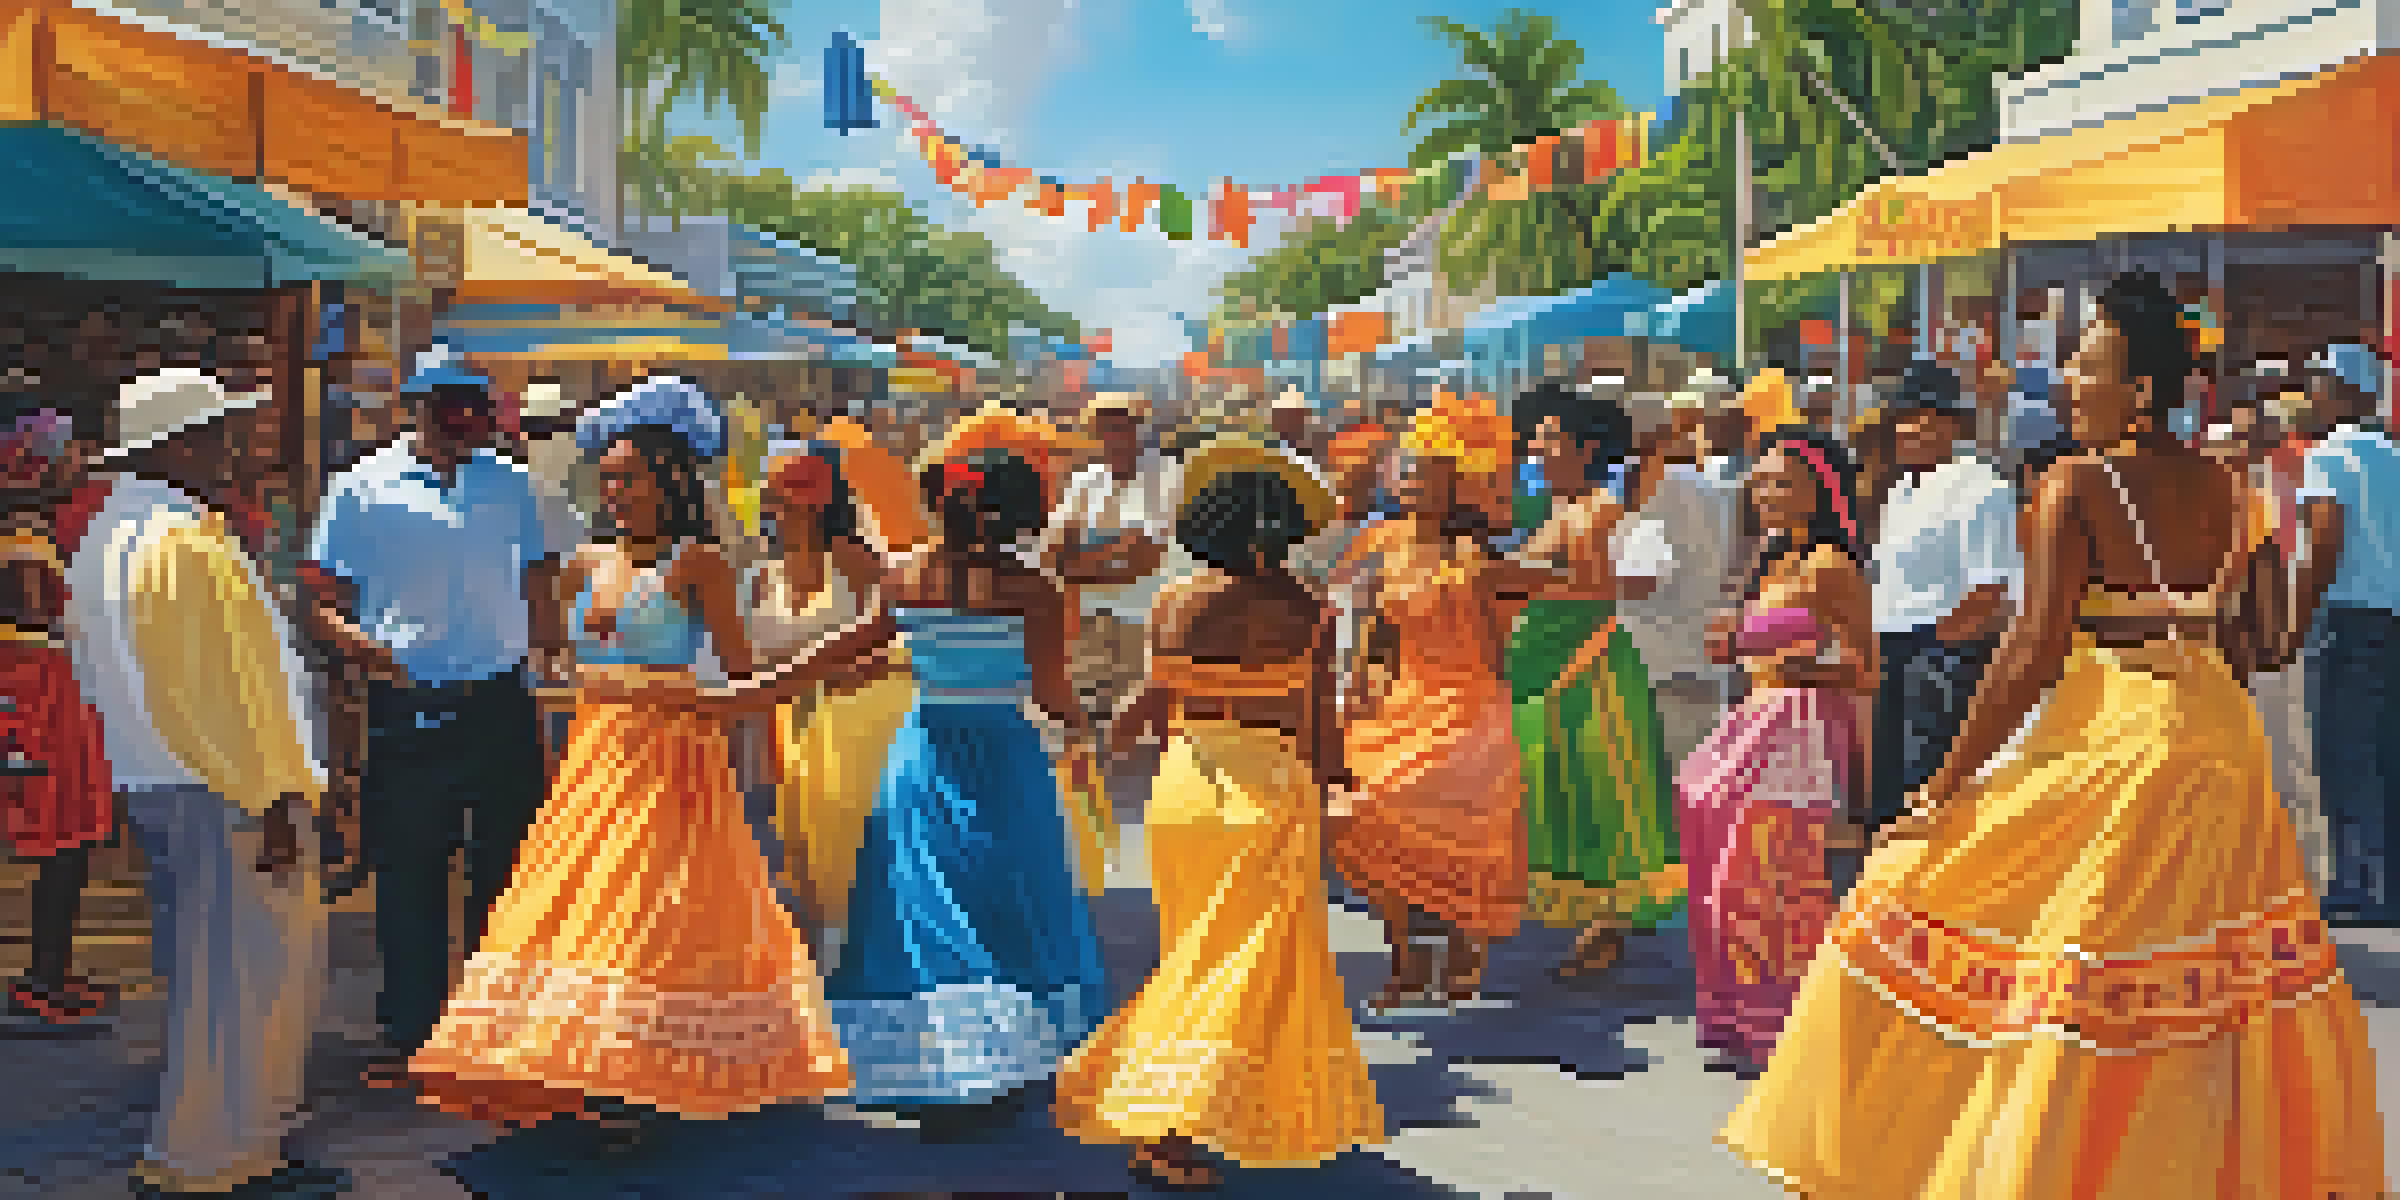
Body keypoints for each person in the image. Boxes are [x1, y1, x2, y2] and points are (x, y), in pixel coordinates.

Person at [1722, 272, 2386, 1197]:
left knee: (1958, 934)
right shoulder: (2235, 489)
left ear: (2141, 390)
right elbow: (2262, 647)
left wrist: (1939, 787)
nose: (2066, 380)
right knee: (2200, 1002)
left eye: (2086, 362)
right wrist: (2281, 565)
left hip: (2115, 745)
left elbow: (2029, 653)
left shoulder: (2076, 483)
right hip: (2221, 748)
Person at [406, 379, 856, 1137]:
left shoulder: (699, 563)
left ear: (672, 482)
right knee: (574, 908)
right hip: (592, 759)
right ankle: (585, 1065)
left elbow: (739, 675)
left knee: (651, 913)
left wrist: (793, 690)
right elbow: (559, 665)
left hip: (675, 763)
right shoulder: (582, 562)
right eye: (607, 478)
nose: (614, 491)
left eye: (629, 478)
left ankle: (636, 1071)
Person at [1056, 437, 1384, 1190]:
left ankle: (1182, 1113)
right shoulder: (1308, 608)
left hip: (1188, 790)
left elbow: (1143, 709)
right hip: (1270, 788)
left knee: (1193, 959)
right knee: (1245, 966)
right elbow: (1318, 722)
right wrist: (1339, 788)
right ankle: (1175, 1121)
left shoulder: (1174, 599)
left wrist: (1102, 751)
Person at [73, 370, 344, 1197]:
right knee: (243, 977)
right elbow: (224, 695)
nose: (229, 449)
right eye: (214, 433)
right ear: (174, 445)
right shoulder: (180, 540)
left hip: (166, 780)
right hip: (227, 788)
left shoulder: (107, 536)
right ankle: (219, 1157)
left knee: (204, 975)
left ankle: (219, 1147)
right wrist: (272, 799)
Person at [301, 348, 574, 1087]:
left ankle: (497, 1029)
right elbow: (322, 598)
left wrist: (553, 654)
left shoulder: (515, 487)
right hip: (408, 704)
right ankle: (411, 1033)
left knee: (507, 872)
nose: (461, 425)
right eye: (446, 410)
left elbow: (539, 575)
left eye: (471, 411)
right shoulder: (361, 489)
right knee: (410, 873)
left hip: (499, 702)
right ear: (415, 411)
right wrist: (370, 655)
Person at [825, 439, 1111, 1128]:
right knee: (1005, 902)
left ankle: (950, 1066)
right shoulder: (1031, 590)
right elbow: (1049, 694)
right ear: (1016, 516)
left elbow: (843, 647)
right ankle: (996, 1067)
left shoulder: (902, 579)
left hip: (923, 753)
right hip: (1006, 756)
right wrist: (1090, 730)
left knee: (929, 908)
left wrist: (754, 689)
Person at [1337, 396, 1561, 1009]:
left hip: (1470, 711)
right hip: (1401, 703)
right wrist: (1358, 681)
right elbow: (1373, 626)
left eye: (1426, 469)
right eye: (1405, 466)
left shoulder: (1478, 556)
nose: (1409, 476)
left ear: (1460, 483)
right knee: (1366, 816)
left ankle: (1464, 956)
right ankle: (1407, 965)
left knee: (1465, 841)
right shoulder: (1380, 544)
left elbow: (1564, 587)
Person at [1680, 428, 1873, 1077]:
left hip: (1804, 734)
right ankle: (1745, 1015)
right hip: (1760, 720)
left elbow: (1865, 668)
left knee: (1767, 883)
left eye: (1781, 481)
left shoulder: (1830, 568)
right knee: (1722, 871)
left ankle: (1793, 1024)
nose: (1765, 492)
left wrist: (1793, 669)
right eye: (1760, 481)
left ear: (1819, 489)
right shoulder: (1772, 560)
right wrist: (1737, 646)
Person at [1507, 384, 1682, 980]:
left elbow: (1624, 587)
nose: (1537, 449)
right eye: (1536, 440)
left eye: (1550, 440)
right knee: (1557, 783)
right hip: (1547, 659)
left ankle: (1606, 926)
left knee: (1602, 789)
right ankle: (1587, 915)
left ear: (1585, 450)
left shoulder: (1603, 512)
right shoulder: (1557, 510)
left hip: (1590, 662)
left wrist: (1511, 579)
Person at [744, 443, 910, 955]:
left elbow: (898, 635)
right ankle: (826, 950)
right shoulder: (761, 572)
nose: (778, 508)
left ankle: (863, 949)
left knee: (846, 836)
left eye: (788, 496)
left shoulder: (855, 560)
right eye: (773, 498)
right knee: (799, 839)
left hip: (853, 722)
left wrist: (836, 672)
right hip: (784, 720)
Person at [1864, 361, 2019, 840]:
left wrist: (1936, 646)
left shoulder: (1982, 489)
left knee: (1927, 792)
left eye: (1926, 416)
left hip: (1941, 656)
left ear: (1954, 424)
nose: (1911, 428)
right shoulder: (1901, 491)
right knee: (1889, 797)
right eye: (1904, 418)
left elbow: (1990, 589)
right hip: (1892, 652)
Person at [0, 389, 114, 1027]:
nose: (81, 460)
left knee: (61, 839)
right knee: (64, 837)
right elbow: (40, 615)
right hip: (37, 689)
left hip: (39, 686)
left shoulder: (31, 529)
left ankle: (49, 972)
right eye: (68, 451)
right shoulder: (23, 534)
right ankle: (44, 977)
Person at [2295, 343, 2400, 926]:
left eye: (2324, 382)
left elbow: (2324, 543)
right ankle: (2388, 884)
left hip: (2347, 618)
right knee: (2387, 752)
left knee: (2342, 752)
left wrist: (2295, 616)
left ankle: (2357, 886)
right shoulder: (2393, 455)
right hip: (2393, 616)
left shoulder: (2328, 457)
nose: (2315, 392)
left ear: (2350, 393)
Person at [1619, 403, 1745, 776]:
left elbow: (1642, 580)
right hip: (1687, 664)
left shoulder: (1667, 487)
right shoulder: (1702, 486)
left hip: (1668, 671)